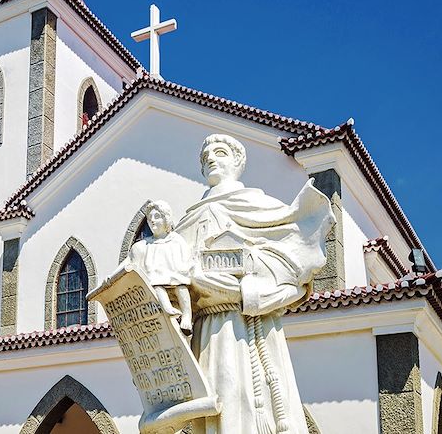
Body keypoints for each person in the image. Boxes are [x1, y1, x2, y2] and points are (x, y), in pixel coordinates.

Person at [174, 134, 335, 434]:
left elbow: (294, 272)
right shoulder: (187, 221)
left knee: (246, 401)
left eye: (219, 152)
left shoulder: (259, 207)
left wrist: (245, 292)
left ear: (237, 162)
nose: (210, 158)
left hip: (247, 329)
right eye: (204, 155)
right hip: (205, 333)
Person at [127, 200, 194, 333]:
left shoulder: (175, 239)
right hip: (156, 277)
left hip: (177, 274)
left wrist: (184, 269)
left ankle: (187, 316)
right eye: (149, 218)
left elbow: (185, 255)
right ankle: (167, 309)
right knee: (156, 284)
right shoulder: (146, 244)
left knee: (181, 285)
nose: (152, 221)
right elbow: (129, 263)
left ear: (166, 218)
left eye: (157, 217)